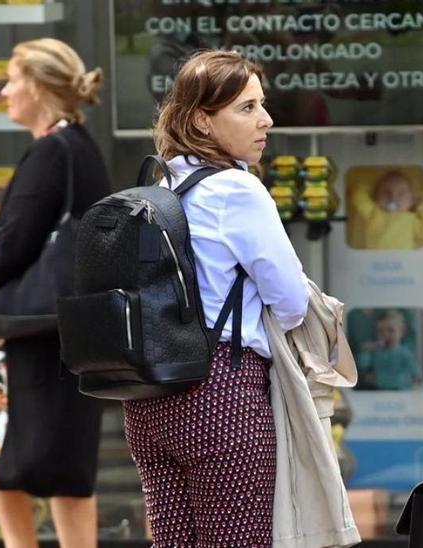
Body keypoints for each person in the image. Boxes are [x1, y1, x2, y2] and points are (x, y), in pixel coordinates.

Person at [121, 50, 309, 547]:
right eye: (246, 108)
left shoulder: (161, 185)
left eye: (261, 105)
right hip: (221, 393)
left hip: (150, 402)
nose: (265, 120)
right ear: (202, 121)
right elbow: (291, 300)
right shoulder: (236, 190)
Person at [0, 38, 108, 548]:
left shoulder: (51, 152)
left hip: (31, 330)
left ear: (36, 86)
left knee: (12, 449)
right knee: (26, 452)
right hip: (62, 327)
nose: (5, 91)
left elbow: (16, 241)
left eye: (12, 80)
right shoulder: (79, 147)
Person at [348, 170, 423, 250]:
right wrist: (371, 189)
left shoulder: (412, 220)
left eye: (401, 193)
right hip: (374, 260)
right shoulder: (373, 212)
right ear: (376, 197)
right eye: (386, 192)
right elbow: (357, 194)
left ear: (411, 201)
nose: (393, 198)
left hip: (403, 261)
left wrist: (421, 206)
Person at [355, 309, 422, 390]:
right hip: (379, 389)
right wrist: (365, 351)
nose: (385, 335)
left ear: (402, 332)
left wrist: (413, 379)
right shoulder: (376, 352)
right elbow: (362, 366)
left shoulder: (404, 353)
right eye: (380, 331)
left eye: (391, 330)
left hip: (400, 388)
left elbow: (416, 373)